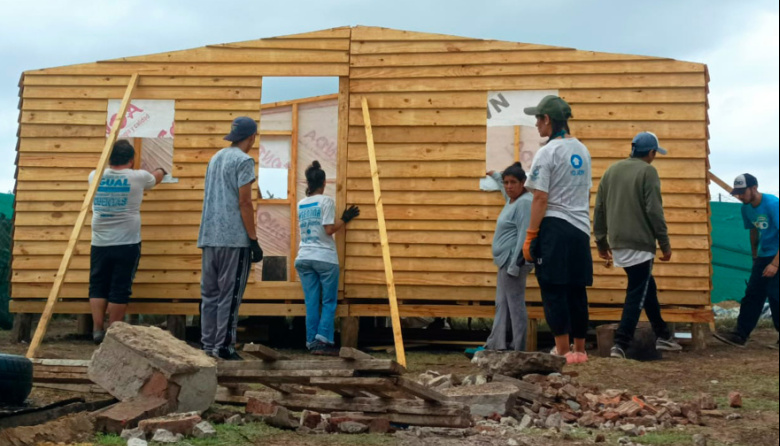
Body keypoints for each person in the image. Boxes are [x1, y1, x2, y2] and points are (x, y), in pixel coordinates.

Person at [594, 132, 684, 359]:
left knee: (645, 286)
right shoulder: (648, 171)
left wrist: (601, 241)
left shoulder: (611, 171)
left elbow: (600, 208)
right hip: (640, 243)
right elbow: (654, 210)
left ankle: (663, 334)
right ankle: (620, 343)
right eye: (655, 153)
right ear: (651, 152)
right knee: (637, 293)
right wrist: (664, 243)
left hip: (617, 242)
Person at [521, 95, 593, 365]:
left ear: (548, 119)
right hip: (580, 228)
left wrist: (531, 235)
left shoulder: (547, 152)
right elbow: (586, 192)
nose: (536, 124)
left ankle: (562, 351)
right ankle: (580, 350)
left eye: (538, 119)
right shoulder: (583, 151)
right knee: (577, 289)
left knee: (553, 288)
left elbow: (540, 197)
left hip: (555, 226)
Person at [198, 117, 264, 361]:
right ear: (252, 137)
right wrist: (253, 239)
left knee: (210, 294)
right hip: (233, 239)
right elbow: (244, 201)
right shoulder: (244, 161)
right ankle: (224, 347)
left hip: (209, 235)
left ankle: (208, 346)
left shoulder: (215, 158)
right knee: (230, 294)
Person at [89, 140, 165, 344]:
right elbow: (156, 177)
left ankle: (97, 330)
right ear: (131, 160)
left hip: (99, 241)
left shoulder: (94, 176)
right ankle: (113, 335)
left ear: (109, 159)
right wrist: (162, 168)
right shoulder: (138, 177)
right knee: (120, 287)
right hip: (127, 242)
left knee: (97, 285)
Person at [295, 161, 359, 356]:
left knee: (312, 302)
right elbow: (329, 229)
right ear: (323, 183)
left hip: (303, 257)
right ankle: (322, 341)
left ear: (308, 183)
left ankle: (311, 341)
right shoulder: (326, 201)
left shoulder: (301, 204)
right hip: (324, 257)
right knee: (329, 302)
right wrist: (345, 219)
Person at [713, 174, 779, 349]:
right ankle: (740, 335)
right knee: (752, 294)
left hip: (777, 255)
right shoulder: (746, 208)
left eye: (743, 192)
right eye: (737, 192)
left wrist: (775, 264)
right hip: (764, 255)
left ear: (754, 188)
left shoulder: (773, 204)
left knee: (775, 295)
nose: (739, 196)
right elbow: (753, 231)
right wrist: (755, 257)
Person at [481, 162, 535, 352]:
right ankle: (498, 344)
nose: (509, 186)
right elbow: (504, 190)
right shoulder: (512, 200)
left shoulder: (525, 203)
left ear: (523, 183)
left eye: (513, 182)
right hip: (504, 261)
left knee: (515, 305)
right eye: (506, 182)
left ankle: (518, 347)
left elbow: (524, 235)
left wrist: (515, 264)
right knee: (502, 304)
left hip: (514, 261)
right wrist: (495, 175)